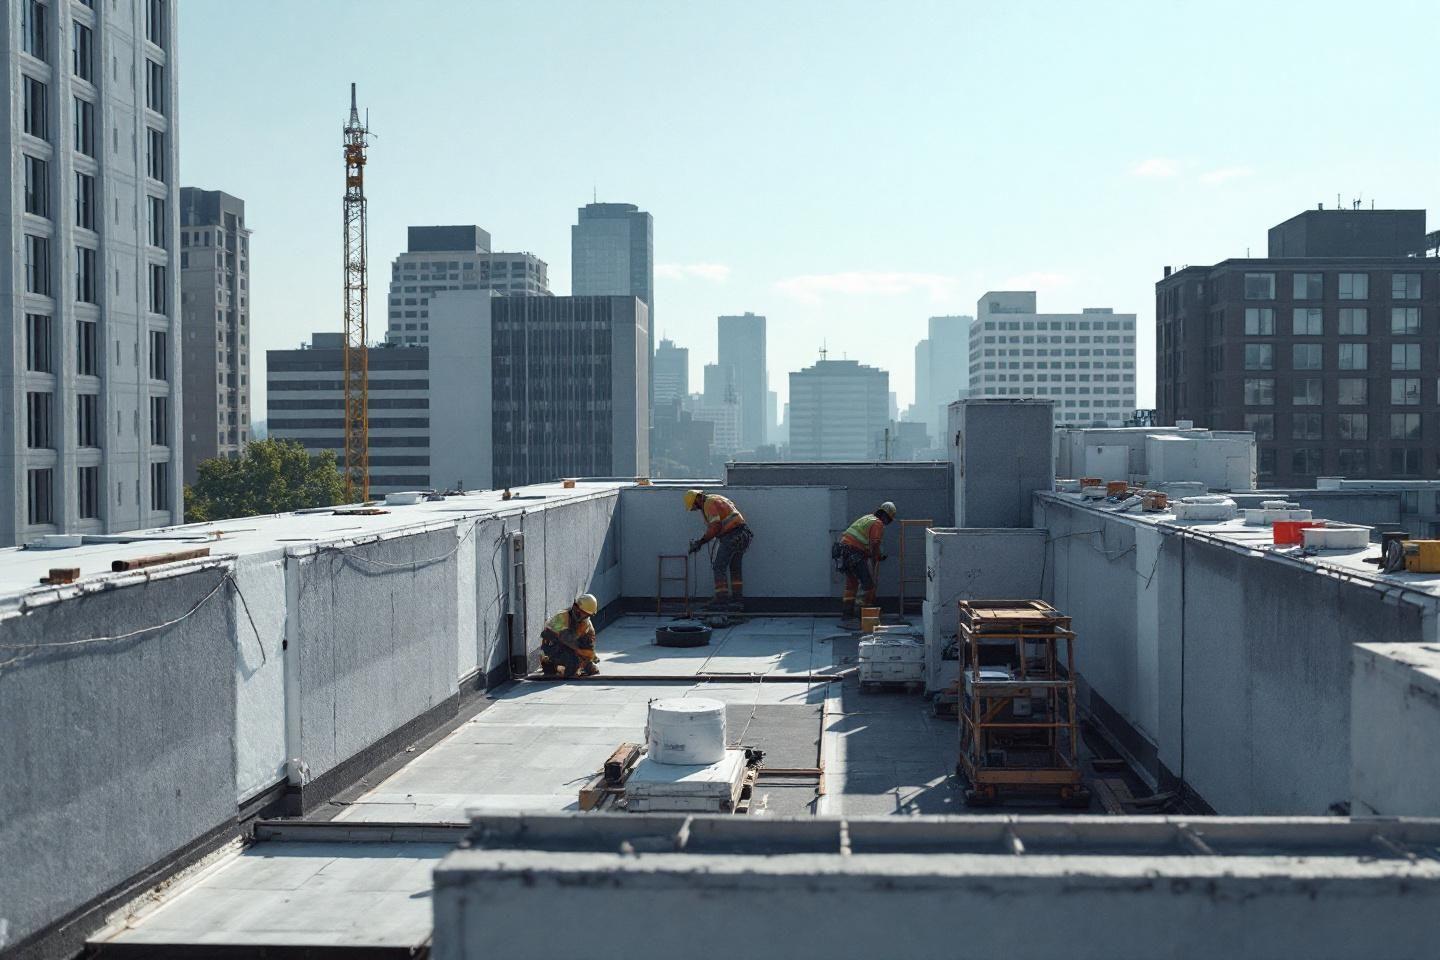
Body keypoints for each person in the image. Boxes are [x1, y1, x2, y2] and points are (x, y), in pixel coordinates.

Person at [684, 489, 754, 611]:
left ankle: (721, 600)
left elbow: (716, 526)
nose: (695, 510)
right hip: (742, 534)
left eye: (694, 507)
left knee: (719, 567)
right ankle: (737, 600)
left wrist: (701, 542)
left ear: (697, 500)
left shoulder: (709, 504)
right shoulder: (716, 498)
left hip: (732, 536)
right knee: (735, 568)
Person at [834, 501, 896, 622]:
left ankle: (847, 615)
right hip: (853, 553)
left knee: (851, 584)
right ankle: (861, 615)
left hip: (843, 551)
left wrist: (871, 554)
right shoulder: (878, 523)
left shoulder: (867, 518)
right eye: (889, 519)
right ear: (886, 517)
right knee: (867, 585)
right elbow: (875, 543)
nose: (887, 523)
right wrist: (876, 556)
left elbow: (862, 541)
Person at [539, 593, 600, 677]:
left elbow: (589, 647)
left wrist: (588, 659)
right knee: (570, 662)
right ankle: (550, 665)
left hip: (572, 649)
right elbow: (563, 638)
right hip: (554, 649)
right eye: (582, 613)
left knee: (581, 659)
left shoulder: (587, 626)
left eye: (586, 615)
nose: (583, 617)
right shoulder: (561, 617)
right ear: (576, 608)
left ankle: (577, 666)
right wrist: (580, 651)